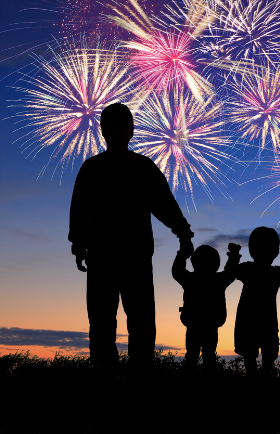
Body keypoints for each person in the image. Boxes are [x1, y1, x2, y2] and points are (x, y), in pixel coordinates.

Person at [69, 103, 194, 371]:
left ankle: (140, 373)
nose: (116, 130)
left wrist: (183, 232)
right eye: (111, 125)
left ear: (131, 130)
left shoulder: (143, 167)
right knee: (102, 321)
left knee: (140, 320)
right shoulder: (92, 168)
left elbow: (165, 205)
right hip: (101, 257)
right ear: (103, 130)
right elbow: (79, 210)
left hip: (136, 258)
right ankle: (106, 372)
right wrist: (78, 244)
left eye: (122, 125)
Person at [233, 227, 280, 377]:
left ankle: (254, 380)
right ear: (275, 251)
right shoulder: (274, 273)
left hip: (247, 320)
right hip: (267, 321)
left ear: (252, 250)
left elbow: (231, 271)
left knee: (250, 356)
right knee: (268, 356)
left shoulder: (247, 269)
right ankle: (265, 382)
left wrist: (234, 256)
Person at [172, 243, 240, 371]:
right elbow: (231, 272)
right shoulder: (218, 281)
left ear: (194, 262)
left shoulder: (190, 279)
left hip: (194, 327)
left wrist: (182, 254)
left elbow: (177, 271)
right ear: (216, 264)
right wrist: (234, 255)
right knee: (208, 359)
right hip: (210, 327)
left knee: (192, 358)